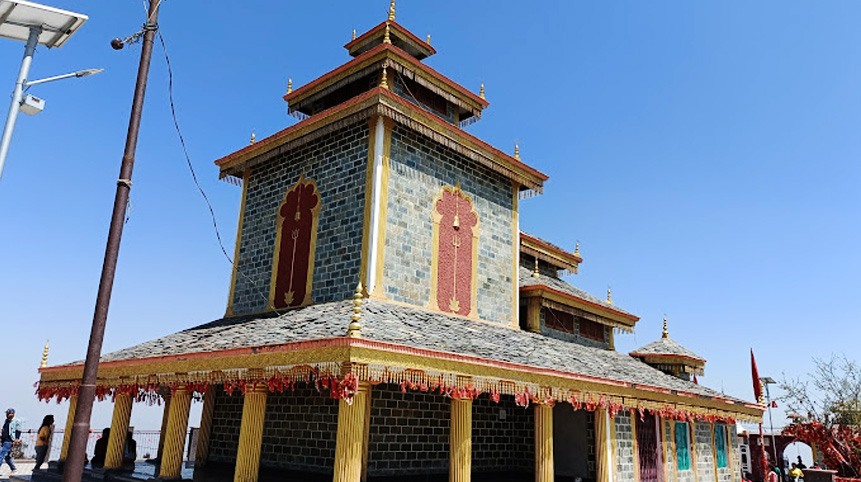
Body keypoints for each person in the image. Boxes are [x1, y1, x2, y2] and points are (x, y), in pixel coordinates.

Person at [0, 408, 22, 474]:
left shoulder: (16, 421)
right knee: (7, 457)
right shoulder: (6, 421)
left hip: (9, 440)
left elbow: (18, 430)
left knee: (1, 456)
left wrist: (16, 439)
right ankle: (13, 468)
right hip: (4, 440)